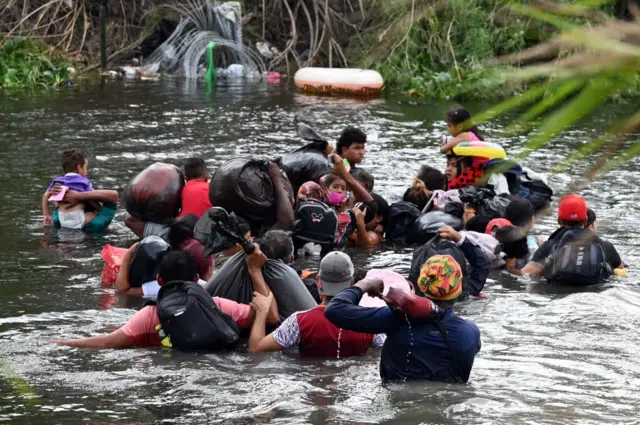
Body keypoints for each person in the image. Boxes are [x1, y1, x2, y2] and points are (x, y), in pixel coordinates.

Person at [53, 249, 279, 349]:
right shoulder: (218, 305)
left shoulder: (149, 316)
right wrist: (255, 271)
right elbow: (271, 317)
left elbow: (109, 342)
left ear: (159, 280)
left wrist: (63, 343)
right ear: (196, 279)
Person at [325, 255, 481, 382]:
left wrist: (363, 284)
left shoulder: (396, 320)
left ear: (421, 284)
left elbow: (334, 309)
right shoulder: (470, 333)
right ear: (458, 289)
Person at [248, 251, 384, 357]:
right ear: (352, 283)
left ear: (318, 281)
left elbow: (256, 349)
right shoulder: (370, 324)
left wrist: (262, 312)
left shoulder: (298, 321)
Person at [518, 194, 622, 277]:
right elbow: (621, 273)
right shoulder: (605, 246)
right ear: (586, 220)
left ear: (559, 220)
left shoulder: (549, 246)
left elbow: (526, 273)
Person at [42, 149, 98, 229]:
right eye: (86, 167)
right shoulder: (84, 182)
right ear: (79, 167)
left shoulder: (57, 181)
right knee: (94, 214)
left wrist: (46, 215)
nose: (87, 171)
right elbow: (93, 198)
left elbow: (45, 196)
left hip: (62, 219)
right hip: (79, 219)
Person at [48, 186, 118, 233]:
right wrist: (81, 196)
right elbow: (113, 196)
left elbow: (59, 205)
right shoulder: (96, 224)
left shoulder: (57, 220)